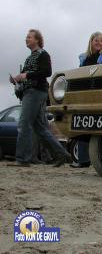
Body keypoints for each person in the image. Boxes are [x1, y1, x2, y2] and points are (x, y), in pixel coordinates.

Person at [7, 29, 67, 167]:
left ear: (37, 40)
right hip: (31, 91)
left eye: (29, 37)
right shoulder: (29, 57)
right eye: (26, 37)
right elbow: (25, 74)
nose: (26, 39)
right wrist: (16, 79)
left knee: (24, 124)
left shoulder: (43, 54)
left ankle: (22, 159)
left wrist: (26, 76)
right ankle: (62, 154)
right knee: (40, 128)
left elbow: (47, 72)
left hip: (36, 92)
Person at [70, 32, 102, 168]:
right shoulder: (84, 59)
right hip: (86, 95)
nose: (98, 43)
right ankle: (83, 159)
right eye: (96, 40)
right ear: (91, 42)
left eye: (101, 41)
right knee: (82, 125)